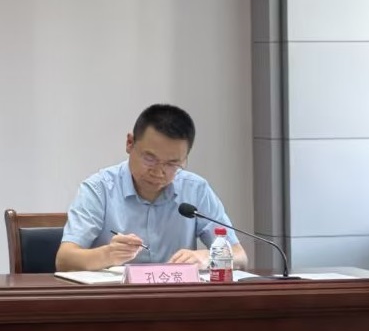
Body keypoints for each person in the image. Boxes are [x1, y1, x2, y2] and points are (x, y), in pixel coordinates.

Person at [55, 103, 247, 272]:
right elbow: (64, 259)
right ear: (130, 143)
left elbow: (240, 256)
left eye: (172, 164)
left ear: (184, 158)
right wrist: (108, 254)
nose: (158, 172)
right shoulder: (99, 189)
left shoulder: (196, 190)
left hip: (176, 298)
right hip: (115, 298)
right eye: (150, 158)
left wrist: (206, 257)